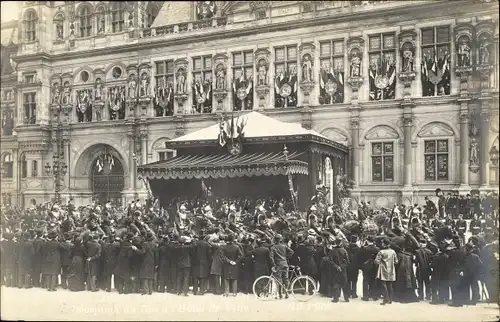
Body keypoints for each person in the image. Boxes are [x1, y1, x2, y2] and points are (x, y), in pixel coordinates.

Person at [269, 234, 294, 299]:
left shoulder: (273, 247)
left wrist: (273, 265)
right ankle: (287, 293)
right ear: (280, 240)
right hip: (285, 264)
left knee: (278, 279)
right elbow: (291, 252)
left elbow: (271, 257)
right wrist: (286, 258)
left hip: (278, 265)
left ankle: (280, 294)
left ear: (274, 240)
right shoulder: (284, 246)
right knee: (286, 279)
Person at [375, 238, 398, 305]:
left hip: (383, 269)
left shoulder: (381, 252)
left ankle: (385, 299)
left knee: (383, 285)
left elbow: (377, 261)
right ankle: (390, 299)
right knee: (390, 285)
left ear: (384, 244)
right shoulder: (393, 251)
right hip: (391, 269)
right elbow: (396, 261)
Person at [359, 235, 380, 301]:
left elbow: (361, 258)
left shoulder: (364, 248)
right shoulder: (377, 249)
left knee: (365, 281)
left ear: (367, 241)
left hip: (366, 266)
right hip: (374, 266)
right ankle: (374, 296)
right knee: (373, 280)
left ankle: (365, 296)